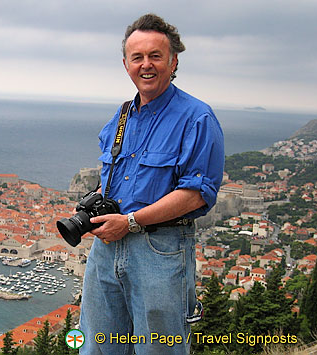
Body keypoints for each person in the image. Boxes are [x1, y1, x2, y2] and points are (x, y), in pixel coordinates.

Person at [79, 13, 224, 354]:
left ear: (173, 61)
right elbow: (110, 179)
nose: (146, 65)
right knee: (96, 346)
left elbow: (195, 194)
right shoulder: (122, 116)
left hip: (161, 249)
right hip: (107, 248)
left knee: (159, 348)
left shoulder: (196, 117)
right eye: (137, 57)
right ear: (126, 64)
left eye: (155, 56)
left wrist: (129, 221)